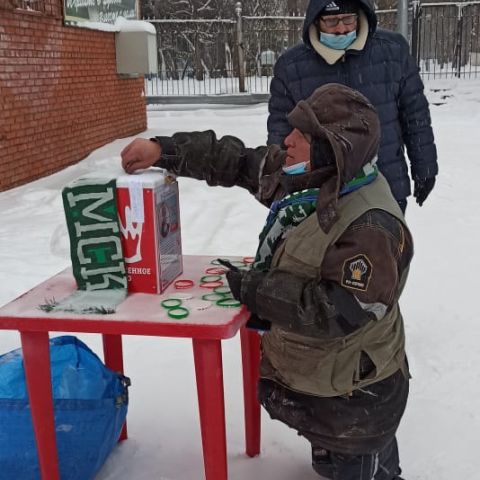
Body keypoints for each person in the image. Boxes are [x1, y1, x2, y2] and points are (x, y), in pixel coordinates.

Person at [121, 84, 412, 480]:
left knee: (360, 467)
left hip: (356, 397)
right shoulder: (316, 178)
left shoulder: (371, 226)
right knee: (330, 459)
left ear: (333, 148)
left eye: (303, 136)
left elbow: (332, 311)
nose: (287, 141)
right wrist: (163, 150)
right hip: (327, 379)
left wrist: (254, 289)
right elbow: (238, 161)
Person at [267, 0, 438, 213]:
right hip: (321, 196)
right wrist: (279, 184)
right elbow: (280, 131)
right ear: (316, 21)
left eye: (348, 19)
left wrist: (425, 167)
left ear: (360, 14)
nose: (341, 28)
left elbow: (414, 114)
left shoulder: (393, 52)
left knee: (383, 245)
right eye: (331, 21)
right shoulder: (291, 67)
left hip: (385, 185)